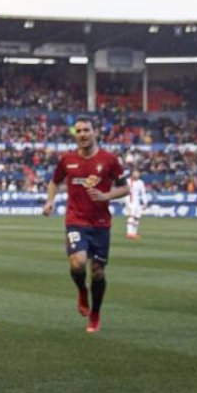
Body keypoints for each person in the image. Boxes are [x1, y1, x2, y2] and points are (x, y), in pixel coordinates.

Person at [43, 118, 129, 333]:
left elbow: (125, 188)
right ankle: (82, 290)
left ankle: (95, 313)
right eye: (78, 131)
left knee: (98, 272)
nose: (82, 134)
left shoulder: (109, 160)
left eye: (86, 130)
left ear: (94, 132)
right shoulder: (67, 160)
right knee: (78, 263)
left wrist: (105, 195)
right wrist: (50, 201)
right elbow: (55, 181)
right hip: (76, 221)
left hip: (100, 224)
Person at [124, 169, 149, 240]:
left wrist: (145, 202)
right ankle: (129, 233)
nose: (137, 175)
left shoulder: (141, 182)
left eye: (138, 173)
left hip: (137, 202)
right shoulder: (128, 181)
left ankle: (134, 233)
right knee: (131, 216)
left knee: (137, 217)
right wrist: (126, 201)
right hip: (130, 201)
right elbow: (123, 190)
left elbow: (143, 193)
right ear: (132, 174)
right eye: (136, 173)